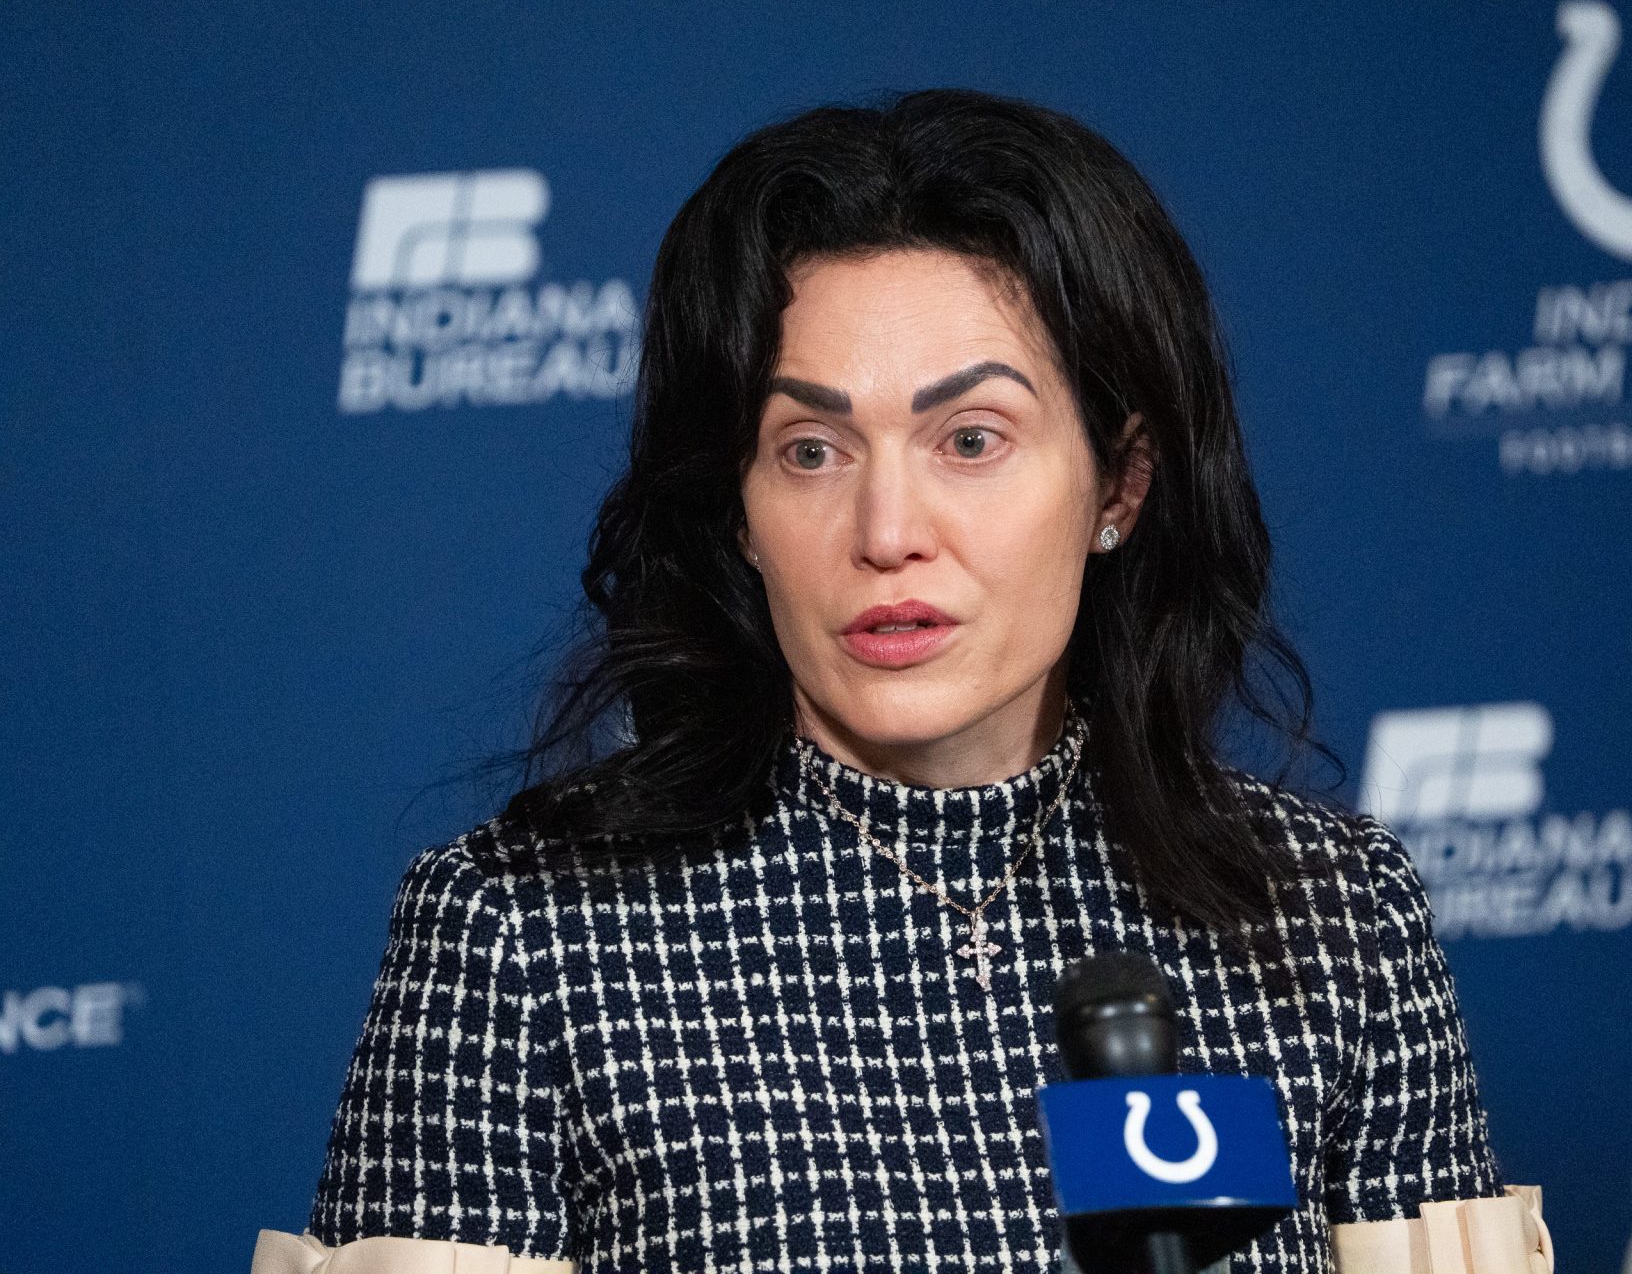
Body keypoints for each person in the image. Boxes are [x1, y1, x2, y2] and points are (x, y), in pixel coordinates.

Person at [269, 87, 1513, 1272]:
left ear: (1120, 487)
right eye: (810, 449)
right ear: (739, 509)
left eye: (970, 440)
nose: (886, 529)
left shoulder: (1334, 919)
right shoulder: (521, 936)